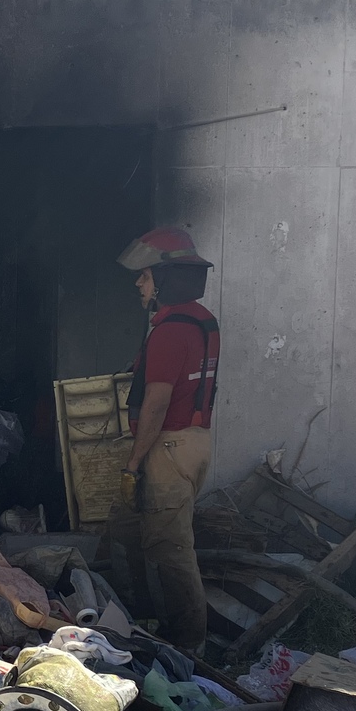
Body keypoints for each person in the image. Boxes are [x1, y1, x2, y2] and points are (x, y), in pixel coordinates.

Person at [97, 226, 219, 650]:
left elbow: (156, 403)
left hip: (167, 447)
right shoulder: (201, 321)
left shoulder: (170, 331)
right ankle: (136, 621)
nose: (139, 283)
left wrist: (133, 463)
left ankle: (188, 649)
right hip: (189, 442)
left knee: (170, 549)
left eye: (145, 276)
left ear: (165, 280)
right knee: (125, 528)